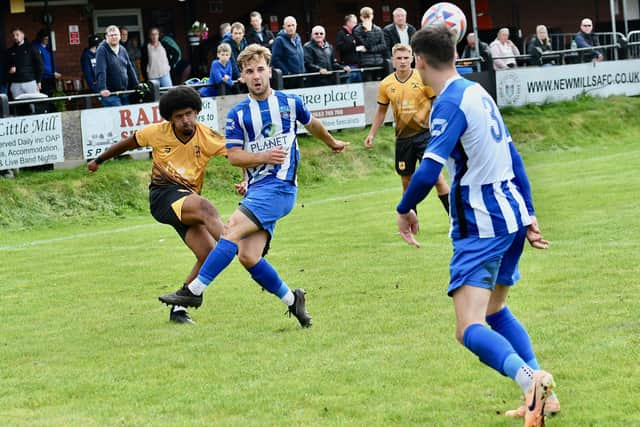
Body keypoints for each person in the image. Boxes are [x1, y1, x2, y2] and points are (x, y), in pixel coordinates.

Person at [396, 25, 560, 425]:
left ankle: (530, 380)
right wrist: (530, 212)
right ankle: (543, 395)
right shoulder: (477, 91)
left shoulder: (449, 102)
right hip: (511, 216)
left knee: (468, 326)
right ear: (454, 52)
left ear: (418, 61)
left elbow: (429, 168)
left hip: (482, 223)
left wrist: (404, 208)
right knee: (496, 308)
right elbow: (514, 155)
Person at [158, 44, 349, 327]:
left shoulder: (290, 103)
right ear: (242, 77)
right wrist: (252, 171)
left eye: (260, 69)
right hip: (259, 189)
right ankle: (292, 300)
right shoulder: (237, 115)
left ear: (269, 71)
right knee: (248, 256)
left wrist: (332, 142)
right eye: (249, 71)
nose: (256, 76)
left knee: (230, 231)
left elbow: (313, 125)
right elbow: (235, 156)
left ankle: (193, 291)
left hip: (281, 187)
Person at [88, 86, 233, 324]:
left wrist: (248, 179)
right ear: (170, 119)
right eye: (178, 117)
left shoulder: (207, 136)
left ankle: (180, 307)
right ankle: (235, 243)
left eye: (188, 113)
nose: (185, 120)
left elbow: (235, 156)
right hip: (163, 196)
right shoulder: (157, 132)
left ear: (196, 111)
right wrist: (99, 160)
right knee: (206, 208)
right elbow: (128, 143)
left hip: (187, 200)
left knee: (207, 255)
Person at [364, 43, 449, 214]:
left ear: (412, 59)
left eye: (406, 58)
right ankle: (411, 222)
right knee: (406, 182)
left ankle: (455, 220)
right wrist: (372, 134)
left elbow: (437, 102)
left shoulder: (423, 78)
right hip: (403, 139)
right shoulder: (386, 84)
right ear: (393, 61)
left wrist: (440, 126)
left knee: (436, 178)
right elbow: (381, 111)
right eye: (399, 58)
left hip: (425, 136)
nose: (403, 61)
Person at [95, 25, 139, 106]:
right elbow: (101, 70)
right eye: (111, 35)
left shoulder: (122, 49)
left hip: (124, 92)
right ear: (106, 37)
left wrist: (136, 84)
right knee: (117, 117)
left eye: (116, 35)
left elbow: (129, 68)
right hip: (110, 94)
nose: (114, 37)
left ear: (119, 36)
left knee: (126, 117)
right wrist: (102, 88)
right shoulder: (102, 50)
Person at [6, 27, 43, 99]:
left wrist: (39, 81)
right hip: (15, 83)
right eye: (13, 35)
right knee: (18, 106)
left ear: (23, 35)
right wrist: (9, 70)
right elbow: (6, 66)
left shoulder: (32, 48)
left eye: (17, 35)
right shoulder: (10, 50)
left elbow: (40, 65)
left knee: (34, 105)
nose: (15, 37)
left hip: (30, 82)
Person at [353, 6, 387, 81]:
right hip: (366, 63)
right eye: (365, 16)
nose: (367, 18)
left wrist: (368, 50)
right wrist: (368, 31)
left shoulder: (378, 29)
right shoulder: (357, 31)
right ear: (361, 17)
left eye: (368, 16)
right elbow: (367, 44)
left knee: (379, 86)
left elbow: (383, 46)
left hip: (379, 62)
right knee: (368, 87)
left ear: (372, 16)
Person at [271, 16, 305, 88]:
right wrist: (287, 72)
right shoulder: (279, 40)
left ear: (296, 25)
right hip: (289, 79)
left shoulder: (298, 38)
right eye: (288, 26)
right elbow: (275, 59)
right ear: (284, 27)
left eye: (293, 25)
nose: (291, 28)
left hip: (301, 76)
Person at [335, 14, 362, 83]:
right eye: (354, 22)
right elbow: (339, 47)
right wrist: (352, 44)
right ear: (348, 22)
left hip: (358, 66)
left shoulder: (356, 33)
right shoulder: (341, 33)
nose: (356, 24)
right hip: (348, 66)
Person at [35, 29, 61, 97]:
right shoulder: (37, 48)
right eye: (45, 39)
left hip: (51, 77)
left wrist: (55, 71)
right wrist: (52, 73)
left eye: (48, 39)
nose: (47, 40)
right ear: (41, 38)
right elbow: (40, 64)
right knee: (46, 97)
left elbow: (51, 62)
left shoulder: (47, 49)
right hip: (43, 78)